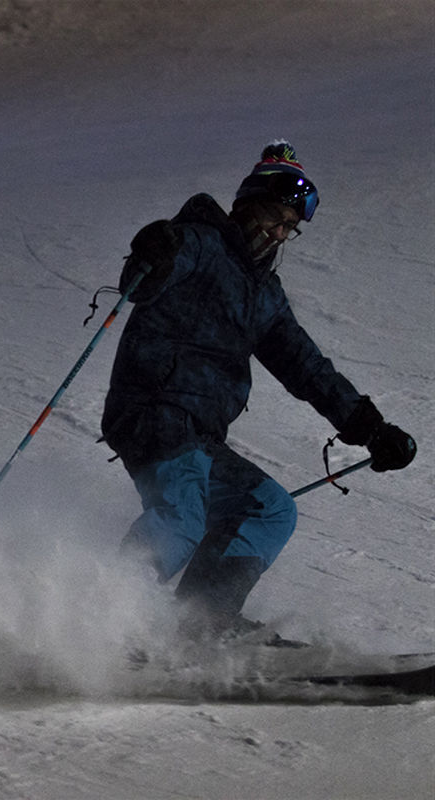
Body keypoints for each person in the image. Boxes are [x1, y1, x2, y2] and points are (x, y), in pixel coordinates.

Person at [100, 141, 416, 642]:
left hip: (198, 434)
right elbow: (142, 283)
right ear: (248, 204)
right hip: (153, 409)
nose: (278, 232)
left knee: (268, 508)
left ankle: (201, 622)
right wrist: (154, 251)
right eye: (275, 216)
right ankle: (101, 624)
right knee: (182, 520)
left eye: (290, 227)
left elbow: (307, 367)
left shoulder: (263, 294)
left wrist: (369, 428)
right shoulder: (199, 244)